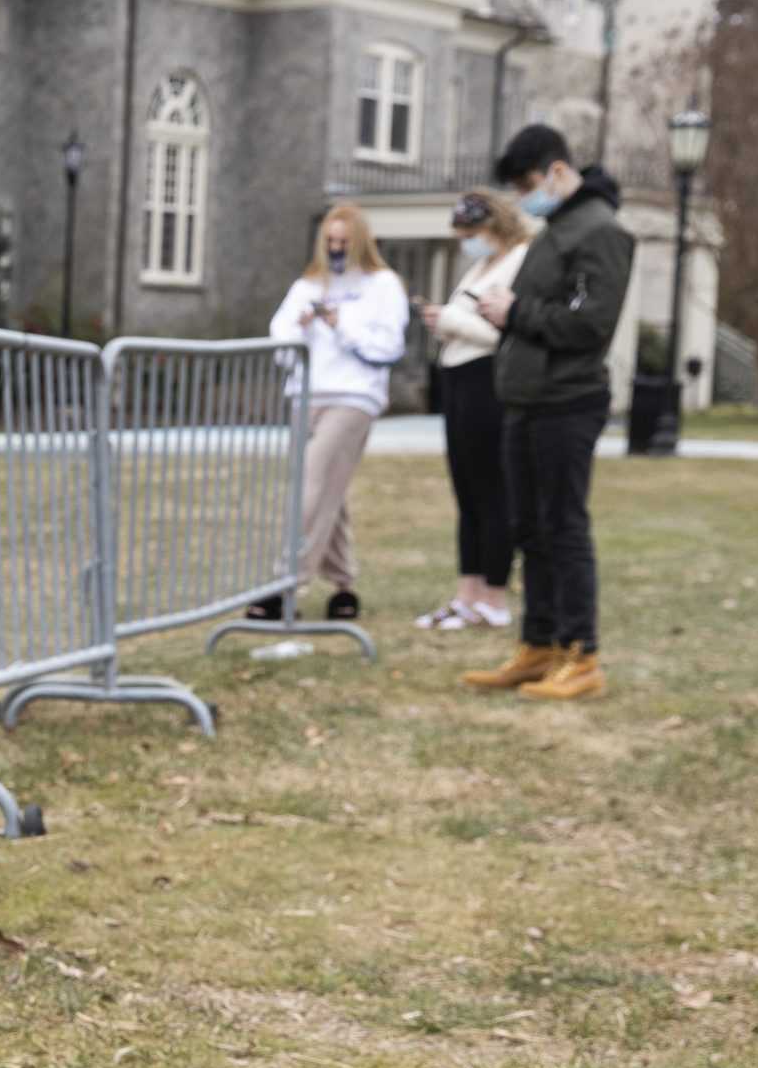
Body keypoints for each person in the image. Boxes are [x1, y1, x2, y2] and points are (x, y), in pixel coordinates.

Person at [461, 124, 633, 702]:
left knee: (563, 527)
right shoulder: (557, 229)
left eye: (528, 183)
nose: (526, 195)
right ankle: (539, 646)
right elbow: (549, 310)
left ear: (558, 171)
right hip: (527, 399)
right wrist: (511, 315)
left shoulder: (602, 232)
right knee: (527, 528)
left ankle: (582, 654)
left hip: (567, 401)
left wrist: (517, 314)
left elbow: (590, 324)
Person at [252, 202, 407, 624]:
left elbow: (388, 348)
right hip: (306, 393)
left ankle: (285, 583)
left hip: (354, 396)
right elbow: (279, 334)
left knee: (313, 481)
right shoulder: (308, 285)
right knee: (327, 492)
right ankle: (343, 584)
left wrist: (343, 326)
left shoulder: (383, 285)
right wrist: (302, 326)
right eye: (331, 242)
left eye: (344, 242)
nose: (337, 249)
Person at [414, 191, 529, 631]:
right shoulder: (481, 265)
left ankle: (494, 597)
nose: (467, 241)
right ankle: (467, 593)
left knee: (491, 489)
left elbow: (502, 331)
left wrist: (451, 321)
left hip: (488, 381)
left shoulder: (518, 260)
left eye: (472, 233)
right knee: (465, 488)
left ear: (495, 226)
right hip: (458, 377)